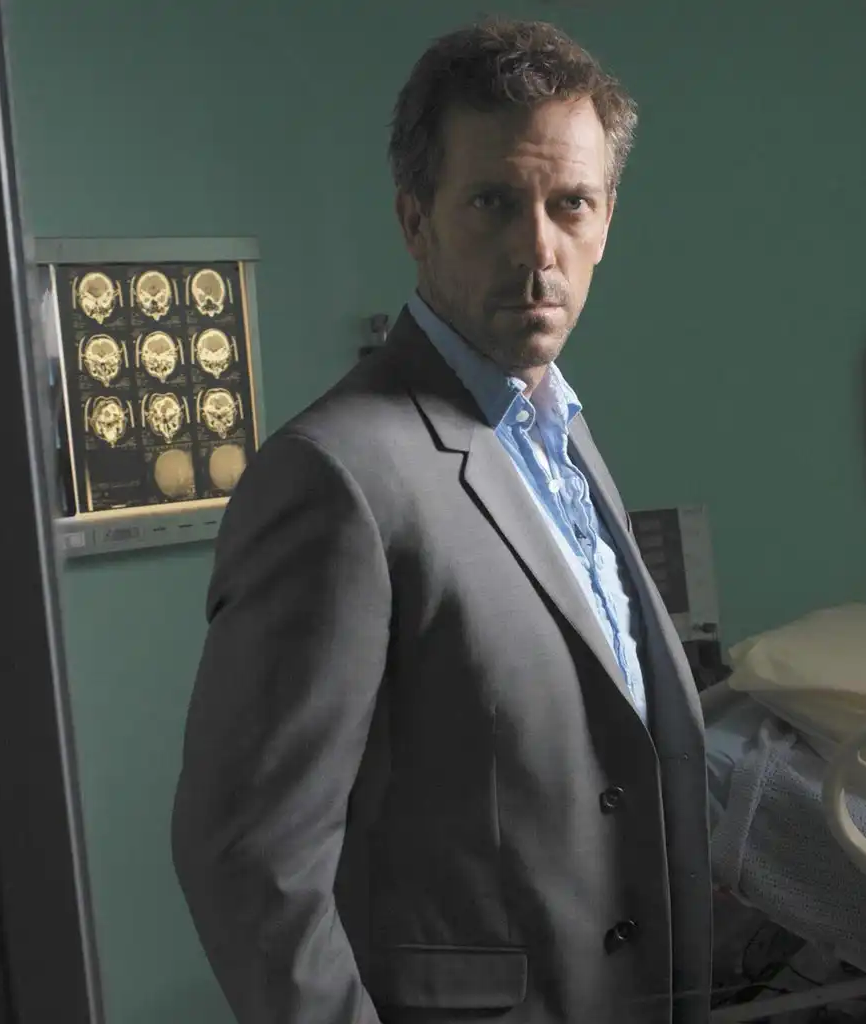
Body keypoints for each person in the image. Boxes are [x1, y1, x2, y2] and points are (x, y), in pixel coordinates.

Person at [171, 17, 712, 1024]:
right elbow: (249, 861)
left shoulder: (555, 428)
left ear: (606, 220)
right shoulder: (333, 478)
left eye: (570, 204)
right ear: (415, 221)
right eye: (493, 202)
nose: (538, 249)